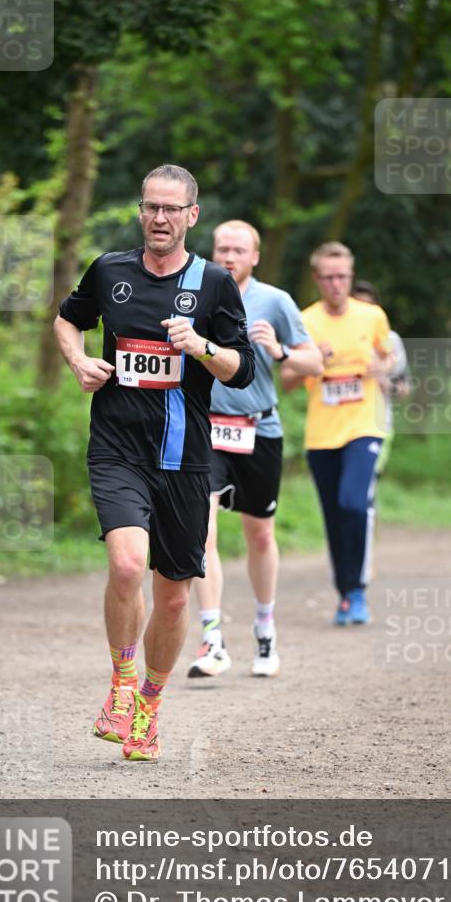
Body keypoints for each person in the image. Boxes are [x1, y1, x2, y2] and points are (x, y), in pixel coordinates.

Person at [53, 165, 255, 761]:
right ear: (141, 211)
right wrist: (78, 360)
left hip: (186, 459)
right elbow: (68, 318)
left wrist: (201, 346)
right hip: (117, 447)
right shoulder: (110, 270)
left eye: (171, 209)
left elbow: (241, 369)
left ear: (193, 216)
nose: (159, 219)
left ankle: (149, 704)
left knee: (172, 597)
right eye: (150, 207)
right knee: (125, 564)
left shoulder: (214, 284)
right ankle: (120, 683)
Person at [187, 220, 322, 679]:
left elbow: (315, 362)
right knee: (200, 529)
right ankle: (212, 638)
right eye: (222, 248)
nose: (228, 256)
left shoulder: (276, 301)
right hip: (205, 431)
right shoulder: (196, 291)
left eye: (238, 250)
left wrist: (281, 351)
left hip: (259, 429)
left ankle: (265, 626)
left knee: (259, 534)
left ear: (255, 256)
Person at [281, 242, 393, 626]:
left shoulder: (372, 316)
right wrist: (314, 362)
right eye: (327, 277)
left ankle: (358, 589)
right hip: (321, 435)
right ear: (316, 279)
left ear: (350, 275)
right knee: (333, 514)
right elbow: (288, 380)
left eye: (342, 276)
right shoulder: (304, 321)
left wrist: (383, 367)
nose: (335, 284)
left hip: (364, 427)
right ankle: (346, 593)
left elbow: (388, 356)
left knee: (353, 503)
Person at [351, 280, 410, 475]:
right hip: (340, 423)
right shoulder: (339, 335)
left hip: (378, 422)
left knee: (366, 483)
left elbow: (405, 387)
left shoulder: (391, 340)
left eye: (368, 307)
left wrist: (388, 386)